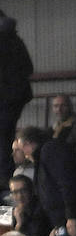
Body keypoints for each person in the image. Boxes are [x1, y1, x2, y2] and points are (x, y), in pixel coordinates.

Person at [12, 126, 76, 236]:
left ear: (27, 144)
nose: (19, 153)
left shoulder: (50, 150)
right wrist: (57, 226)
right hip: (62, 222)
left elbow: (67, 182)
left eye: (19, 148)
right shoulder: (41, 158)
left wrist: (71, 218)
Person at [0, 10, 33, 187]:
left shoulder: (5, 40)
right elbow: (29, 67)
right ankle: (5, 178)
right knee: (5, 137)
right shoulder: (14, 39)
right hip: (14, 97)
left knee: (3, 137)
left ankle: (4, 179)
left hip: (7, 97)